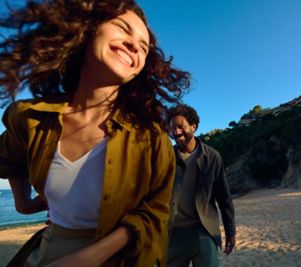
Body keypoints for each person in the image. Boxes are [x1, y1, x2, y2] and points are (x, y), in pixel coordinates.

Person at [0, 0, 190, 266]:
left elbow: (157, 211)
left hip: (120, 257)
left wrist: (89, 257)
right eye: (123, 28)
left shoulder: (151, 137)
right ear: (87, 29)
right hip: (48, 250)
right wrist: (24, 204)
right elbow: (9, 158)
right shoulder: (29, 117)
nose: (134, 45)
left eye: (144, 47)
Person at [166, 104, 236, 267]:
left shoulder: (212, 157)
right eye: (172, 128)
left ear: (193, 126)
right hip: (173, 234)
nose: (176, 132)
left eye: (180, 126)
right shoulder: (167, 158)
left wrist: (230, 232)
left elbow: (224, 198)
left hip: (204, 231)